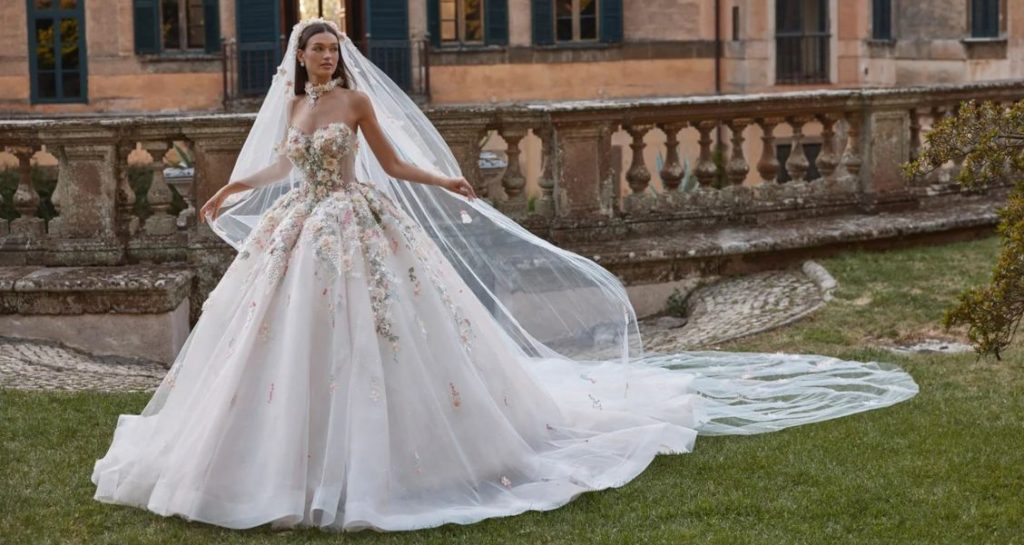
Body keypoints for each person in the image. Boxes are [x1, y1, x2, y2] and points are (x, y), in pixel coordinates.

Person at [90, 19, 919, 533]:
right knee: (276, 350)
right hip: (298, 235)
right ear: (296, 61)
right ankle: (277, 466)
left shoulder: (354, 106)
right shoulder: (295, 110)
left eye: (329, 50)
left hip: (354, 231)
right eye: (311, 50)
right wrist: (232, 188)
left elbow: (387, 165)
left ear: (340, 61)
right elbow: (281, 164)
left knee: (382, 341)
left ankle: (396, 463)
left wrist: (443, 180)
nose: (319, 60)